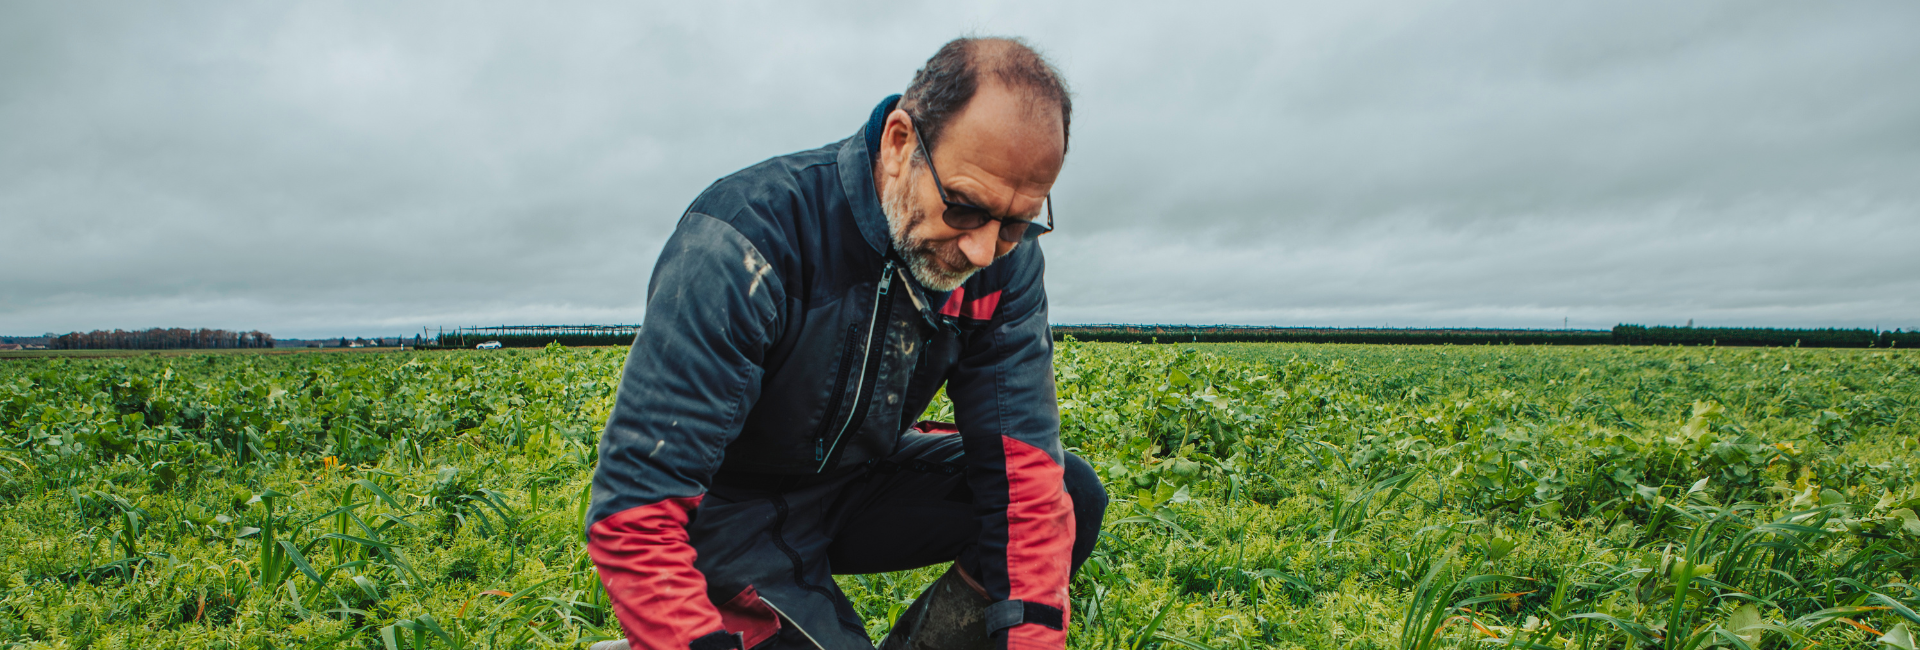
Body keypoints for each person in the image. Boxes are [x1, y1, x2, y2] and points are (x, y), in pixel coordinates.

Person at [587, 37, 1107, 650]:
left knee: (1067, 493)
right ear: (899, 143)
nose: (982, 251)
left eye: (1017, 223)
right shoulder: (746, 241)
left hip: (860, 482)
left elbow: (1023, 476)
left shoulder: (1001, 263)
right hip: (731, 515)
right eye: (964, 209)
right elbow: (637, 510)